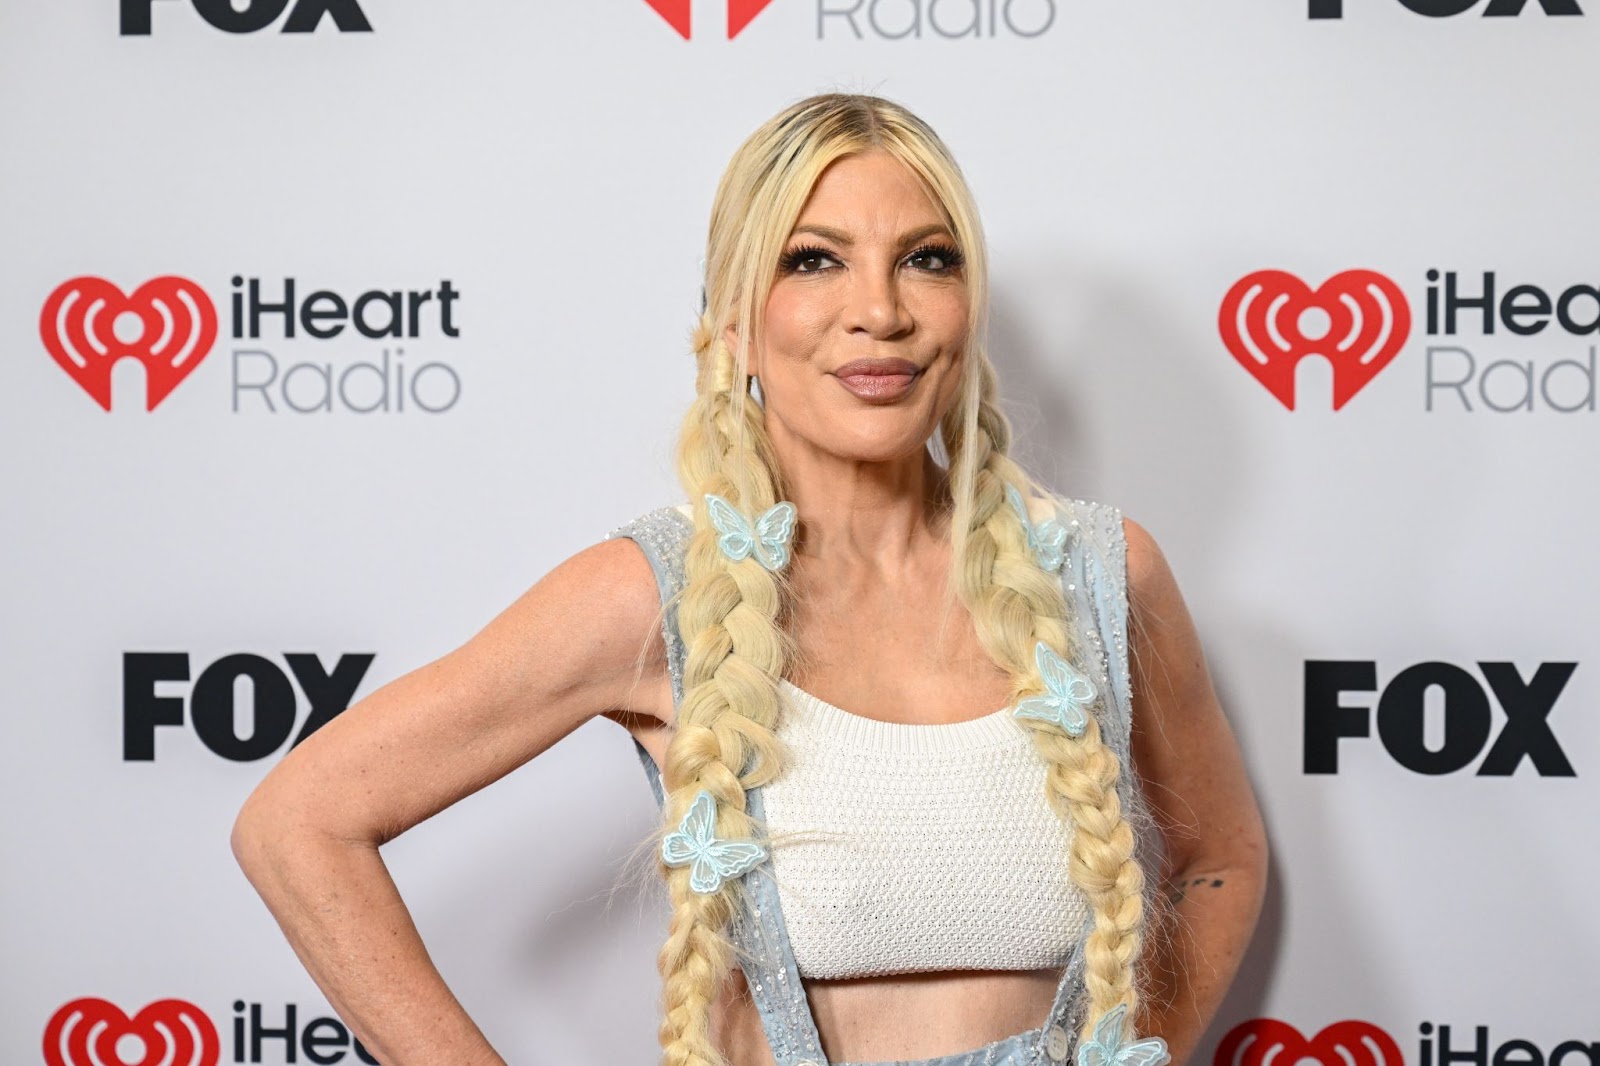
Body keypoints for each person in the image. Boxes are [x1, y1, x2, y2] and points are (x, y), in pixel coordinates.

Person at [232, 92, 1268, 1066]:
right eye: (814, 260)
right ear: (734, 322)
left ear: (967, 306)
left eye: (927, 259)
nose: (880, 310)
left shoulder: (1098, 573)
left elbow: (1218, 858)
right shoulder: (658, 593)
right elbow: (299, 825)